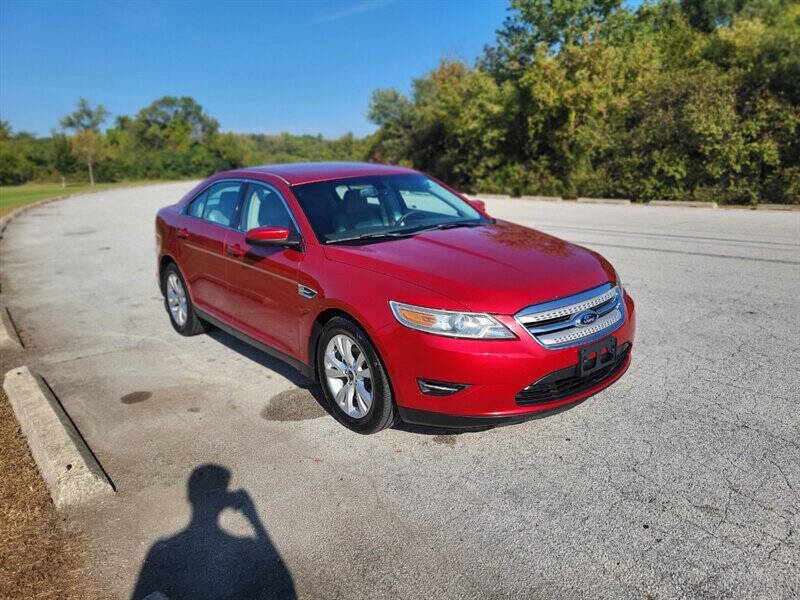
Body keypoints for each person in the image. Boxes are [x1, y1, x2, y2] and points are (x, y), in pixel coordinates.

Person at [131, 464, 295, 600]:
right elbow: (285, 580)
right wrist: (253, 516)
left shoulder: (159, 549)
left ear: (190, 497)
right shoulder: (247, 545)